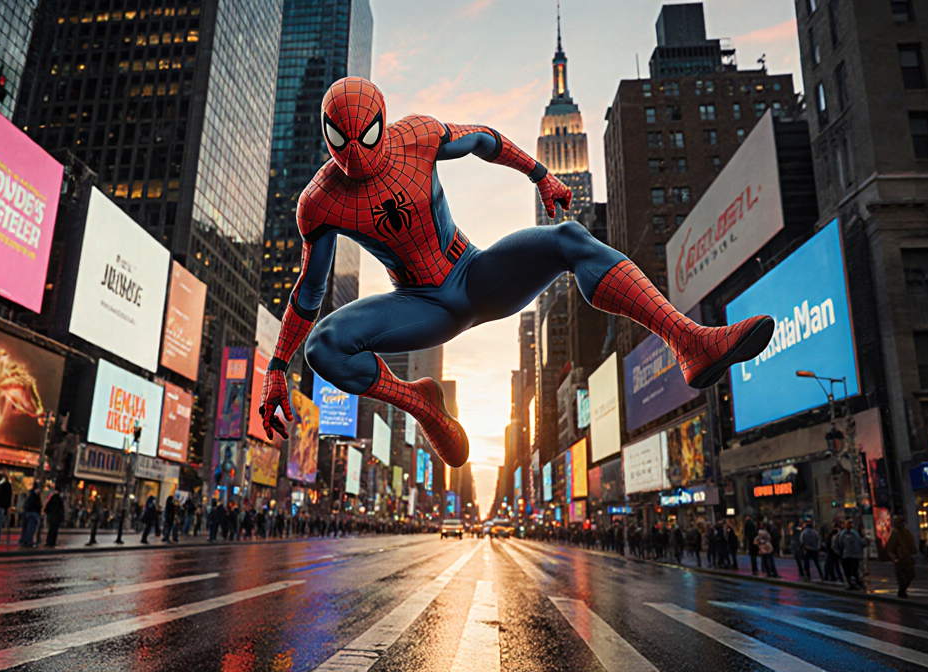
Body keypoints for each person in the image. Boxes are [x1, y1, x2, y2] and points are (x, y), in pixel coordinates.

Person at [256, 77, 775, 470]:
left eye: (364, 138)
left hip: (474, 274)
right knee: (323, 346)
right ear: (327, 139)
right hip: (417, 306)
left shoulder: (417, 136)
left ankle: (688, 340)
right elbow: (310, 290)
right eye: (339, 143)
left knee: (570, 239)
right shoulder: (320, 202)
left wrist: (540, 173)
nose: (354, 155)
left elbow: (482, 139)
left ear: (382, 122)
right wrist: (278, 367)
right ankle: (418, 401)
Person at [885, 517, 918, 599]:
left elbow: (911, 544)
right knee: (903, 576)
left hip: (906, 557)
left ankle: (902, 590)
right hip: (901, 558)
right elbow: (890, 547)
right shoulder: (897, 533)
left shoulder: (906, 532)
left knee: (909, 575)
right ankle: (902, 591)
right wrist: (895, 558)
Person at [836, 523, 865, 591]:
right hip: (855, 555)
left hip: (846, 555)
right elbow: (861, 543)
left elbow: (838, 544)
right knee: (855, 570)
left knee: (848, 571)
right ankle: (859, 584)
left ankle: (851, 583)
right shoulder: (856, 534)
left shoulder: (841, 534)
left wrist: (840, 553)